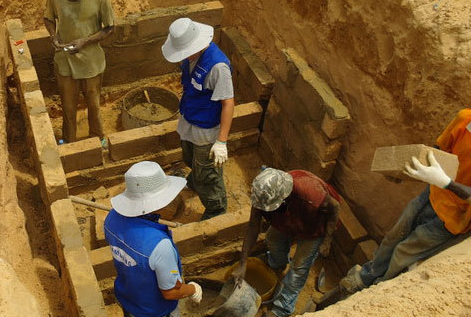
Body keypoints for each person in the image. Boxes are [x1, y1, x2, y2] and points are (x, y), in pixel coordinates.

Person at [341, 108, 471, 294]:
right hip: (431, 193)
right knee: (395, 236)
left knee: (403, 254)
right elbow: (438, 151)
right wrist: (403, 170)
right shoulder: (466, 119)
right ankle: (366, 277)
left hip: (453, 218)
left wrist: (446, 183)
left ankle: (375, 292)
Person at [235, 167, 340, 316]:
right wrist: (243, 263)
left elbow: (335, 207)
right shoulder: (262, 195)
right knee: (272, 238)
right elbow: (253, 226)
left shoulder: (309, 193)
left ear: (283, 198)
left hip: (313, 226)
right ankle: (277, 262)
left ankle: (283, 307)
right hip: (289, 220)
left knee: (298, 267)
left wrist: (327, 241)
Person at [104, 161, 202, 317]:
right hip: (154, 310)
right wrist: (193, 289)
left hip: (128, 297)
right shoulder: (159, 245)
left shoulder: (111, 218)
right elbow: (170, 292)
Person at [162, 17, 234, 219]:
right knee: (188, 156)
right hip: (190, 118)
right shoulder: (191, 57)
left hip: (206, 129)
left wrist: (221, 141)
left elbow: (228, 103)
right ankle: (194, 181)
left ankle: (216, 209)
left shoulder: (218, 67)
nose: (183, 57)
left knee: (208, 175)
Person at [44, 0, 115, 145]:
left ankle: (98, 138)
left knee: (94, 104)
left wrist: (85, 41)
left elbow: (109, 28)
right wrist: (53, 36)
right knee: (68, 107)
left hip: (91, 62)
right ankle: (70, 142)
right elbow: (48, 19)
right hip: (65, 60)